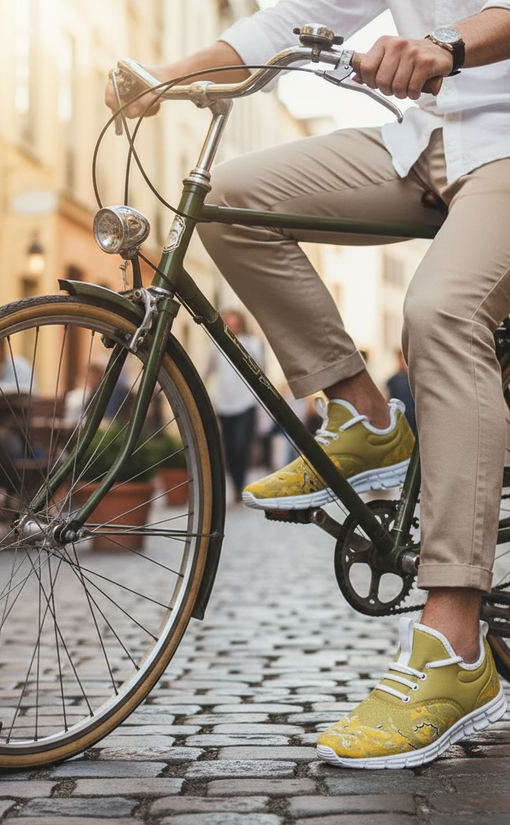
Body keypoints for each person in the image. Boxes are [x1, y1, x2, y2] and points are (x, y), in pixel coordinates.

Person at [107, 2, 510, 769]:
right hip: (425, 140)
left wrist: (448, 45)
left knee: (440, 310)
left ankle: (456, 643)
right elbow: (287, 21)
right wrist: (163, 75)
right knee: (230, 199)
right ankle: (365, 416)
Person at [205, 309, 264, 502]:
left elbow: (261, 371)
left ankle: (240, 484)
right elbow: (207, 371)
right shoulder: (216, 346)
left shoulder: (252, 344)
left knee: (241, 446)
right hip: (224, 405)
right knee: (230, 449)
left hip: (246, 403)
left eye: (233, 322)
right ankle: (236, 488)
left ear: (240, 323)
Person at [386, 349, 416, 435]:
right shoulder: (392, 381)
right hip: (401, 417)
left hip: (414, 417)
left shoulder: (413, 379)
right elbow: (388, 398)